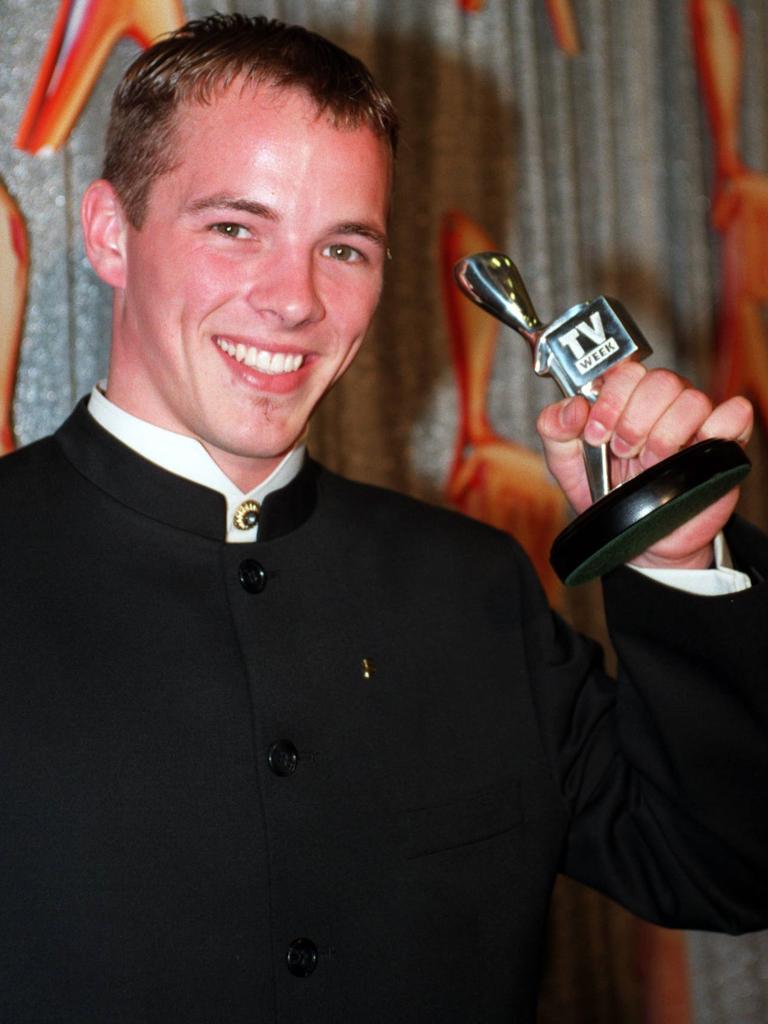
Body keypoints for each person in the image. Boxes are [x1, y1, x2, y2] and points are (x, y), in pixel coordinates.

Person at [0, 14, 766, 1023]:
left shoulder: (475, 587)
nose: (296, 300)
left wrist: (677, 557)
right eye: (236, 227)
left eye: (346, 248)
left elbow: (722, 866)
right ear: (110, 232)